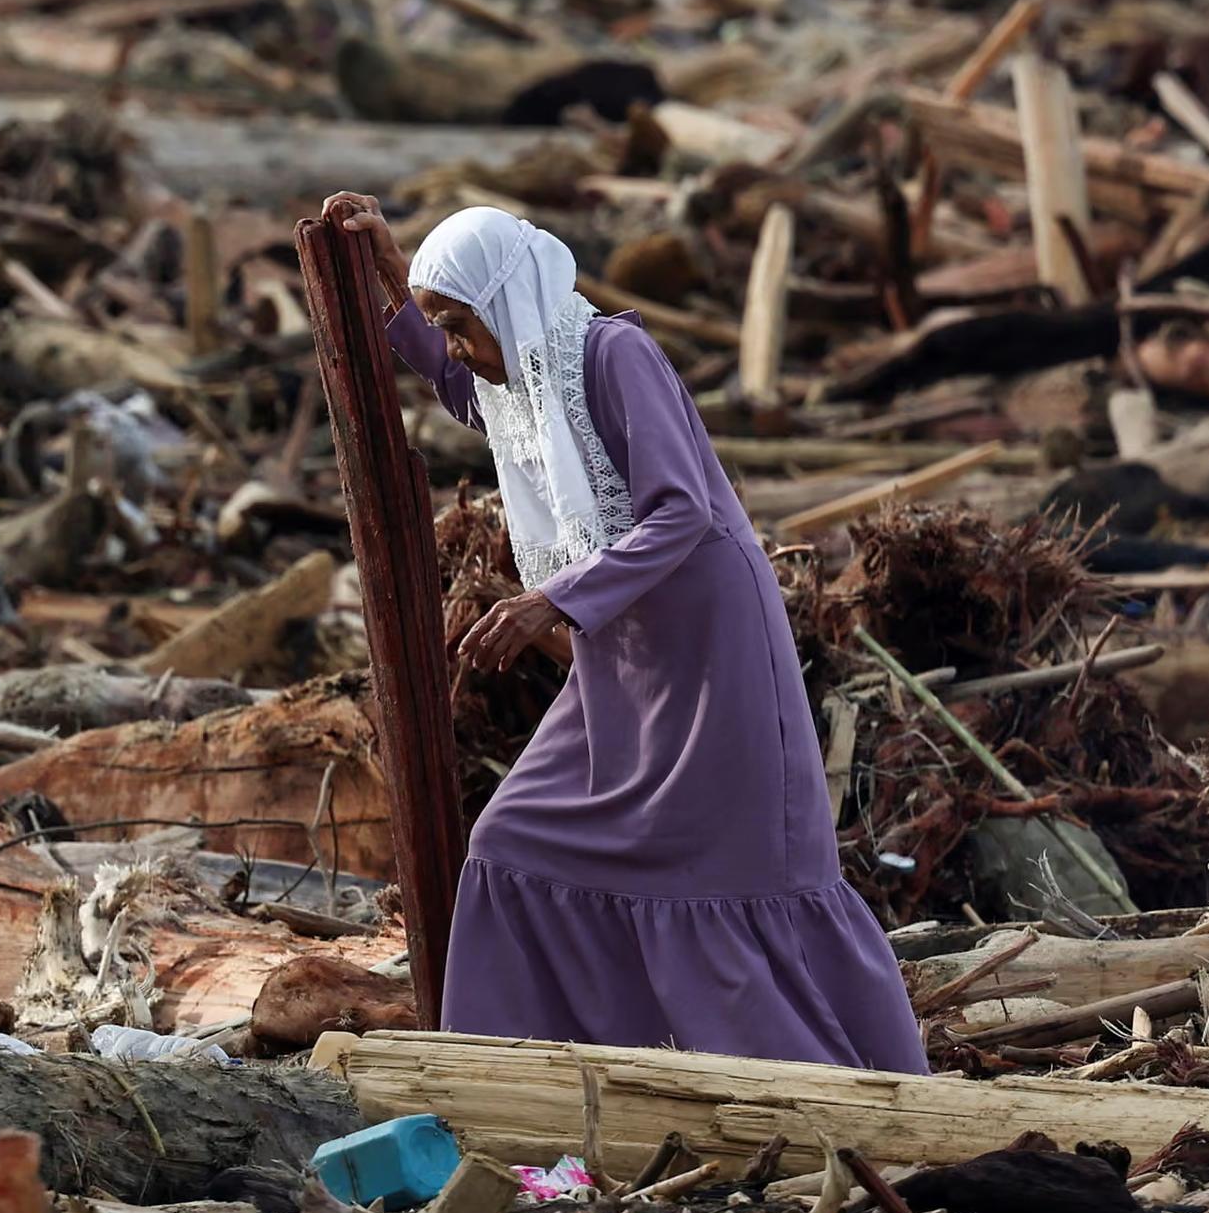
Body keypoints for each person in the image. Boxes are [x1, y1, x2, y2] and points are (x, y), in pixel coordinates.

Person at [323, 194, 928, 1074]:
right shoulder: (524, 374)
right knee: (512, 841)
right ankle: (529, 1082)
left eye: (461, 324)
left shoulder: (612, 352)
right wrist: (392, 271)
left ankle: (822, 1086)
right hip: (622, 648)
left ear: (509, 304)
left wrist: (548, 602)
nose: (456, 346)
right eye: (445, 328)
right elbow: (469, 387)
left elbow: (681, 509)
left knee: (725, 871)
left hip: (710, 642)